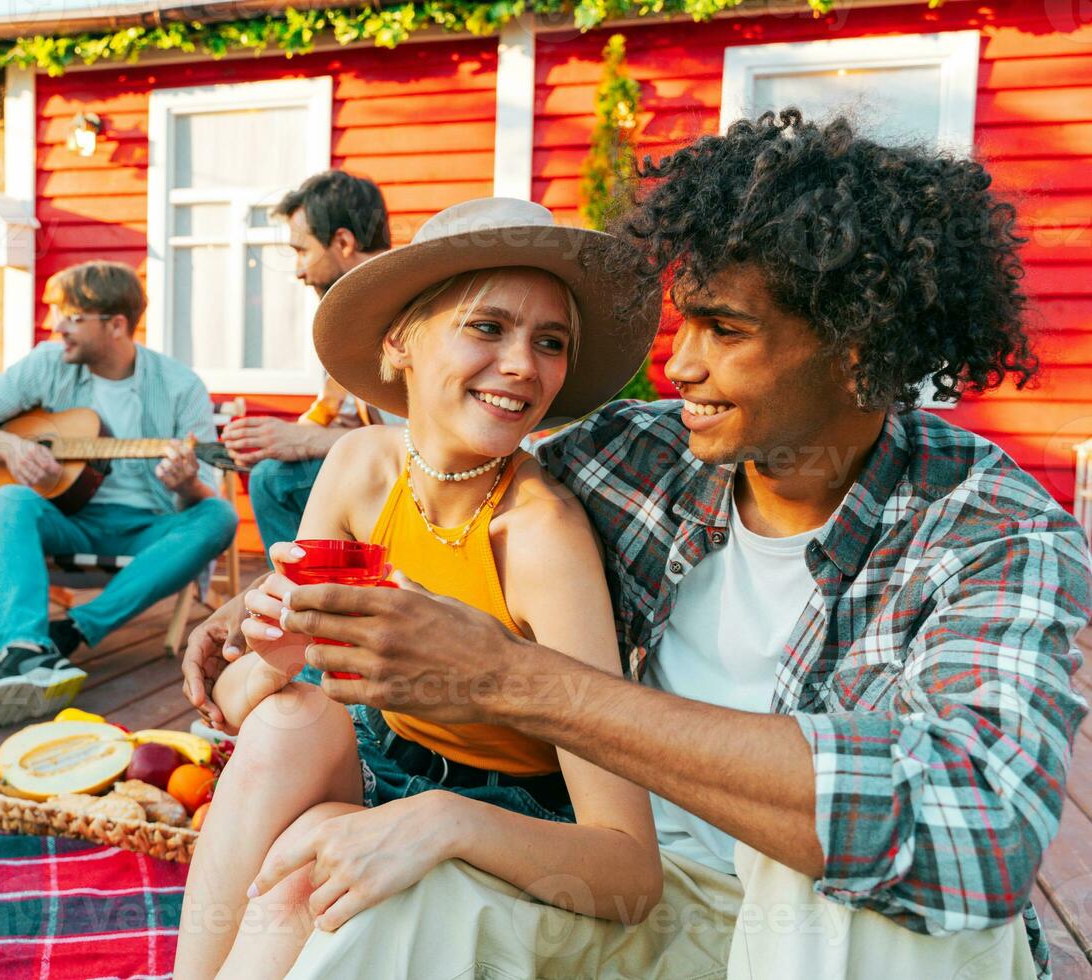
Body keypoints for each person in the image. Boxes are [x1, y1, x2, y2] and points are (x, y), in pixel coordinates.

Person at [184, 112, 1092, 979]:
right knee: (367, 887)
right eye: (684, 320)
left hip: (834, 932)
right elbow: (452, 478)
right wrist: (272, 601)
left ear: (860, 348)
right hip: (639, 899)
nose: (678, 364)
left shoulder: (993, 530)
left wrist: (514, 679)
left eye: (725, 330)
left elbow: (976, 833)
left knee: (832, 878)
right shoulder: (637, 453)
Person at [173, 197, 663, 979]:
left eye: (551, 341)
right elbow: (238, 708)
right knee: (287, 723)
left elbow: (631, 875)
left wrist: (443, 819)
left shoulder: (542, 538)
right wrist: (279, 651)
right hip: (384, 757)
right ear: (400, 340)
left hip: (515, 813)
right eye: (487, 326)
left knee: (299, 884)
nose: (523, 366)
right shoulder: (361, 468)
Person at [0, 260, 237, 727]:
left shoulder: (180, 387)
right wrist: (9, 446)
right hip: (67, 522)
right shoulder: (47, 364)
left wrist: (186, 483)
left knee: (218, 516)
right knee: (10, 498)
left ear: (116, 325)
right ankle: (23, 649)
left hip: (146, 530)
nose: (59, 327)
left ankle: (72, 631)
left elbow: (205, 494)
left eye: (74, 317)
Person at [221, 170, 393, 557]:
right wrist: (277, 440)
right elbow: (339, 415)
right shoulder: (350, 316)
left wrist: (305, 440)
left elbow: (424, 440)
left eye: (302, 251)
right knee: (274, 468)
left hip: (432, 488)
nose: (298, 270)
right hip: (386, 475)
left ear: (344, 242)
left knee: (273, 481)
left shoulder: (406, 311)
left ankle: (298, 602)